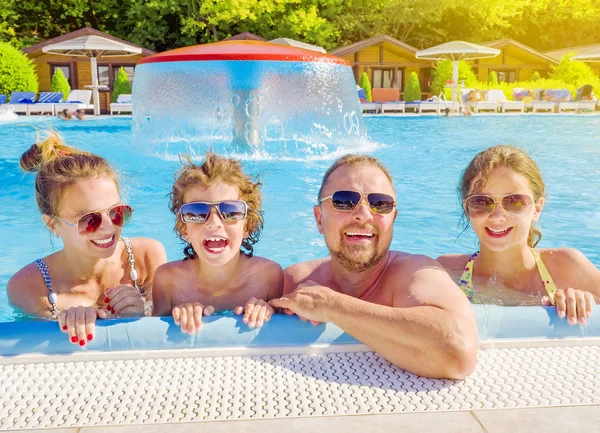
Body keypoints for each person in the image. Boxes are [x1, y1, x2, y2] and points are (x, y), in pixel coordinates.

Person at [269, 154, 478, 379]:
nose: (363, 215)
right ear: (319, 219)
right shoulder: (294, 281)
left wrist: (331, 306)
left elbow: (458, 353)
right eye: (345, 201)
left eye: (380, 204)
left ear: (393, 219)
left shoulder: (416, 272)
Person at [7, 132, 167, 345]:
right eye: (90, 220)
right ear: (52, 224)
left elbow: (166, 327)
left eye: (117, 212)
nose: (108, 227)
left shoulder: (146, 258)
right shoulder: (30, 287)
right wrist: (65, 324)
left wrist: (143, 313)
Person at [437, 145, 599, 325]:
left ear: (537, 209)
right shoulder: (446, 273)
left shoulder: (567, 267)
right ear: (467, 209)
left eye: (514, 201)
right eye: (482, 202)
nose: (497, 217)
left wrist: (585, 299)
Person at [152, 153, 284, 333]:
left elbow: (279, 335)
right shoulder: (168, 281)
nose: (214, 222)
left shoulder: (267, 278)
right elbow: (152, 338)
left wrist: (266, 311)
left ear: (248, 226)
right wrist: (177, 314)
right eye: (197, 212)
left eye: (230, 211)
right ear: (184, 229)